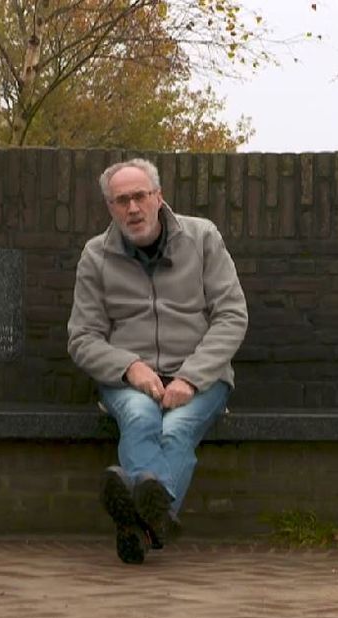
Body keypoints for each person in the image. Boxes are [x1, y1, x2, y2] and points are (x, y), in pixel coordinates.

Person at [67, 158, 248, 564]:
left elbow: (232, 315)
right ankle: (154, 524)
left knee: (178, 428)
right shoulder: (95, 255)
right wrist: (130, 367)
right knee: (140, 418)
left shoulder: (202, 237)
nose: (132, 208)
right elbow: (82, 338)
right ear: (110, 208)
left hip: (201, 376)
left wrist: (192, 377)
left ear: (158, 197)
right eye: (121, 200)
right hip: (128, 380)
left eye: (139, 197)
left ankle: (137, 524)